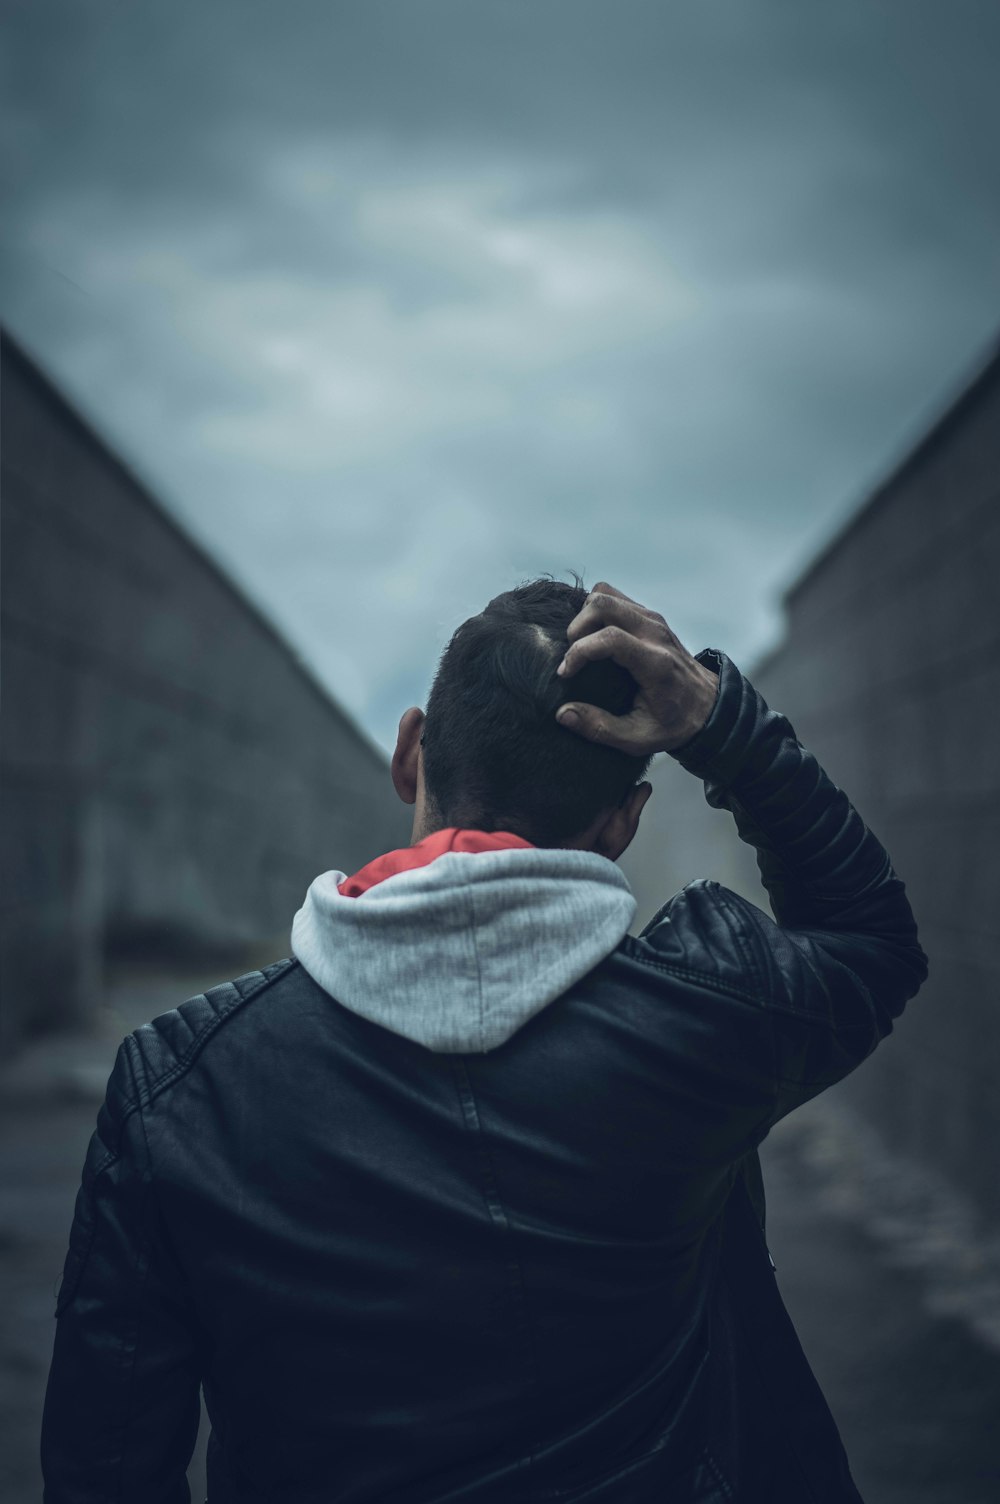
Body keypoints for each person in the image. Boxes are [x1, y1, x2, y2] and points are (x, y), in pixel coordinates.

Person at [41, 577, 928, 1503]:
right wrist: (722, 727)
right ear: (625, 822)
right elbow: (870, 935)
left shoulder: (178, 1086)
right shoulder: (712, 1017)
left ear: (411, 752)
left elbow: (107, 1470)